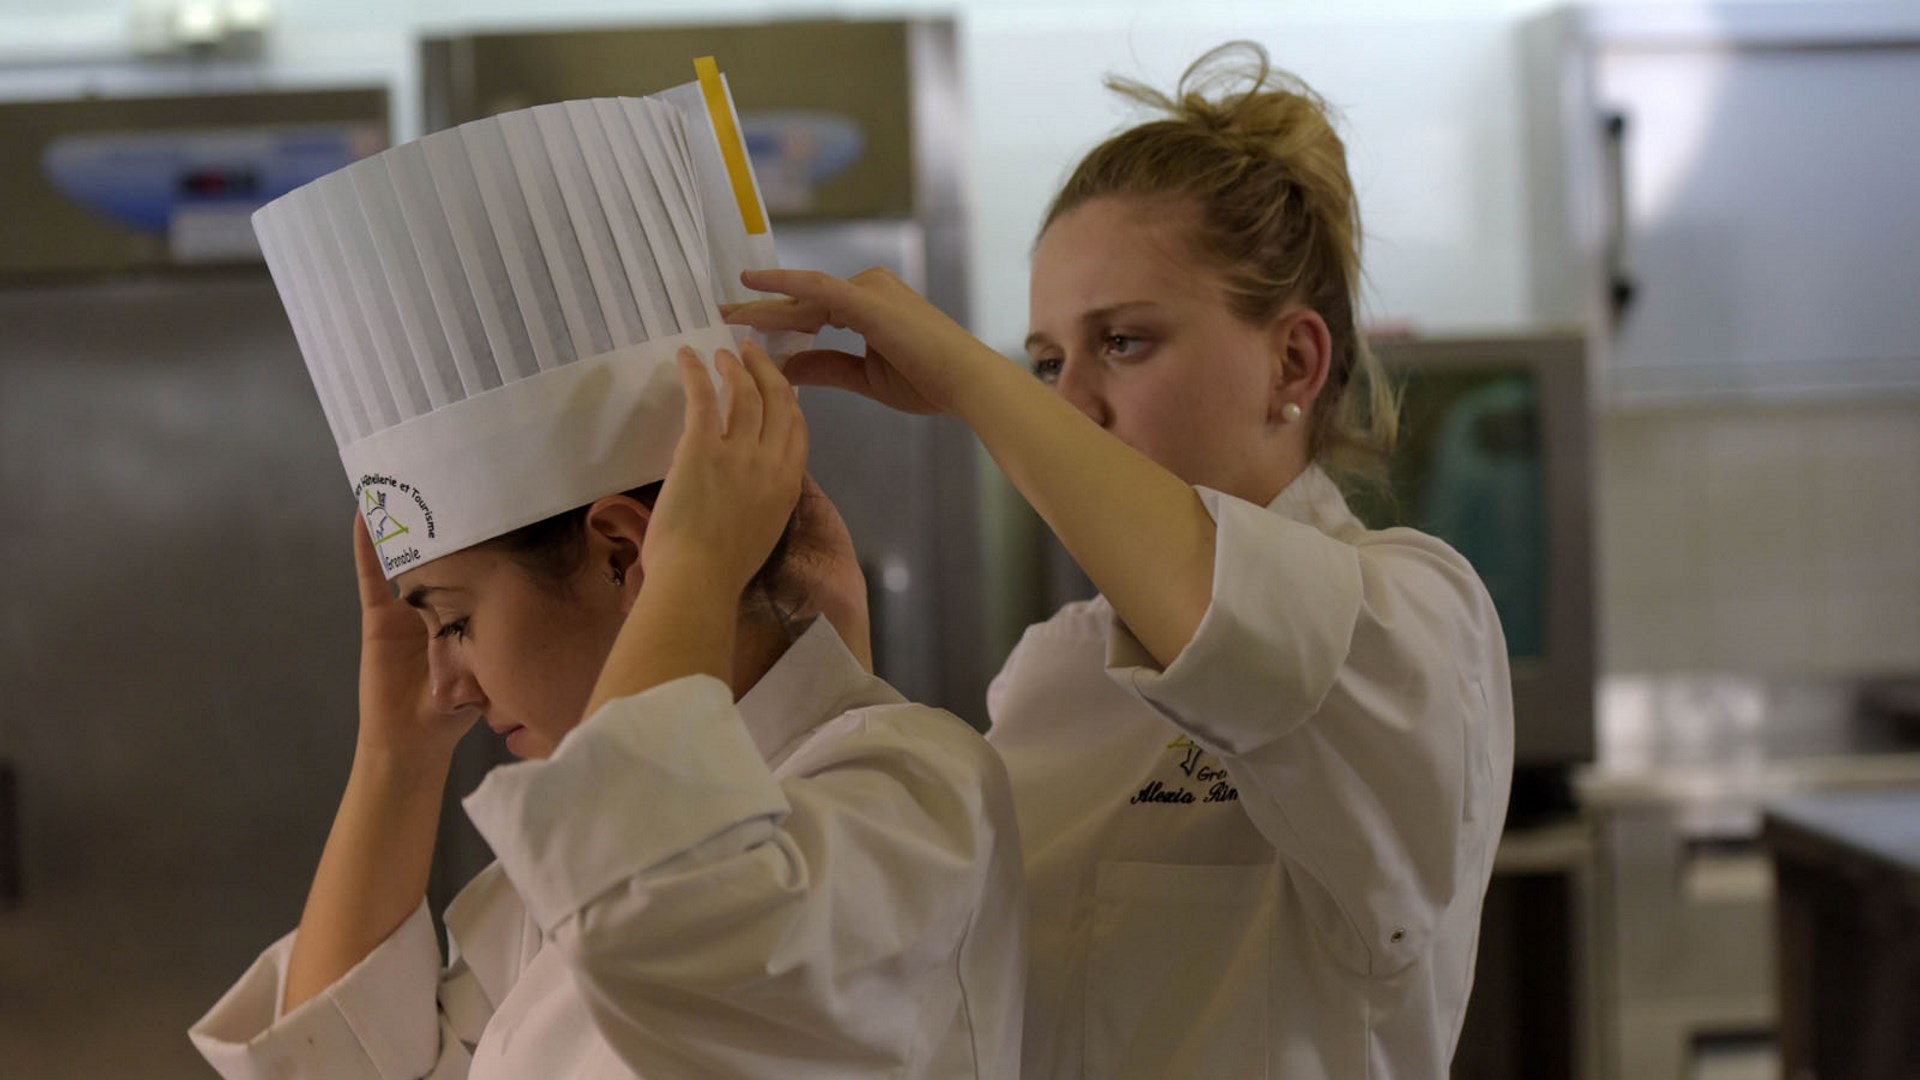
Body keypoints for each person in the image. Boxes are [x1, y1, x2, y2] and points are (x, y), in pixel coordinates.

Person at [190, 95, 1024, 1080]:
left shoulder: (905, 799)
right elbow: (344, 1069)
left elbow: (666, 914)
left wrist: (696, 570)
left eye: (454, 621)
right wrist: (395, 757)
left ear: (627, 555)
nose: (448, 685)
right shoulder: (554, 874)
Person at [725, 41, 1514, 1079]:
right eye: (1047, 361)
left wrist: (967, 376)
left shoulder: (1416, 619)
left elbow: (1230, 614)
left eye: (1126, 343)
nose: (1075, 403)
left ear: (1295, 360)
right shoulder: (1055, 672)